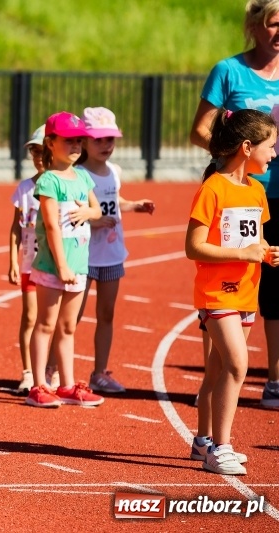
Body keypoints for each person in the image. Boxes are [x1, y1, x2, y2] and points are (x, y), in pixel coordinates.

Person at [189, 0, 279, 409]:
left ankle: (274, 379)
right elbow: (200, 129)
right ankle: (213, 388)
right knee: (224, 280)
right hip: (236, 191)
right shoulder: (229, 71)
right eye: (275, 23)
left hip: (270, 194)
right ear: (255, 26)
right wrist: (234, 160)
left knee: (272, 284)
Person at [186, 108, 278, 475]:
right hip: (217, 295)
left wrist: (267, 252)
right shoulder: (213, 189)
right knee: (238, 365)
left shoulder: (257, 190)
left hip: (246, 294)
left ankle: (202, 441)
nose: (274, 153)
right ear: (247, 147)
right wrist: (243, 254)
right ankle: (221, 448)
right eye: (270, 146)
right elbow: (193, 247)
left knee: (218, 369)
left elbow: (257, 240)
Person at [25, 112, 103, 408]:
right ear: (50, 143)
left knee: (68, 327)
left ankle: (68, 385)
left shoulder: (83, 176)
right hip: (53, 267)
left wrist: (88, 213)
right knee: (45, 325)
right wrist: (61, 266)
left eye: (79, 141)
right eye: (69, 140)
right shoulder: (48, 181)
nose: (75, 146)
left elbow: (97, 210)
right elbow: (51, 226)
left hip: (78, 265)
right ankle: (38, 386)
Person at [74, 107, 155, 394]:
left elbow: (114, 200)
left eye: (110, 139)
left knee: (106, 314)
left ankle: (99, 373)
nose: (106, 145)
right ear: (84, 141)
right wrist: (93, 220)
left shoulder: (114, 172)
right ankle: (53, 368)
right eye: (98, 140)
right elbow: (72, 210)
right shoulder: (78, 174)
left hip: (111, 255)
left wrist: (134, 205)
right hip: (83, 255)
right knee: (72, 317)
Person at [8, 125, 46, 394]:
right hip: (30, 264)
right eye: (34, 152)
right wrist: (12, 260)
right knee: (30, 316)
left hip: (55, 266)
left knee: (53, 320)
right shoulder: (24, 189)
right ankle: (28, 372)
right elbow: (15, 228)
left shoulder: (62, 187)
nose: (38, 157)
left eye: (43, 151)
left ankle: (51, 371)